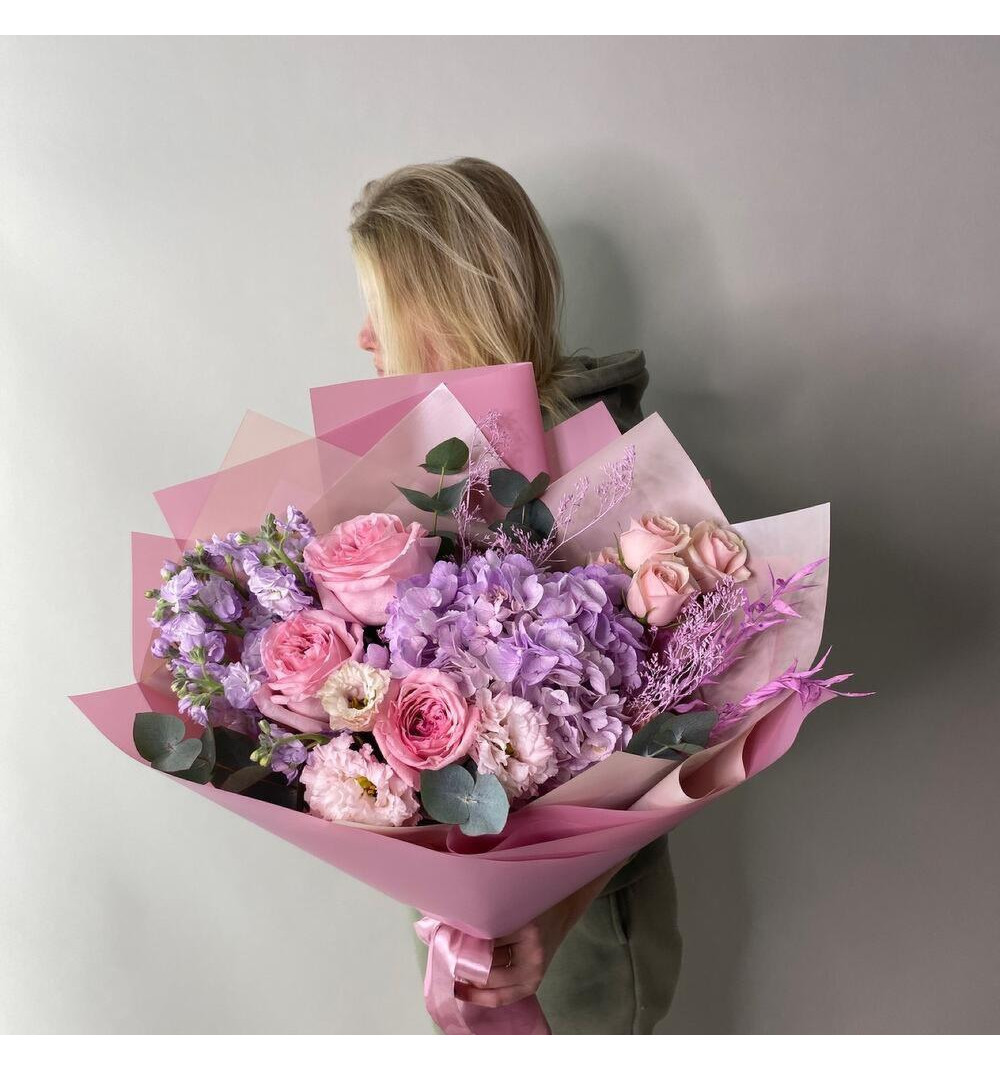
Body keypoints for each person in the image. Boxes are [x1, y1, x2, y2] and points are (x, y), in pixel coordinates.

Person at [348, 157, 682, 1034]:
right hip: (457, 921)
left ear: (439, 307)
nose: (364, 336)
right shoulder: (423, 464)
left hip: (581, 939)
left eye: (380, 306)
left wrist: (555, 914)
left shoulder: (610, 469)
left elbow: (678, 732)